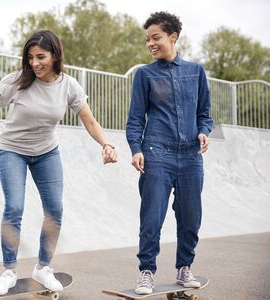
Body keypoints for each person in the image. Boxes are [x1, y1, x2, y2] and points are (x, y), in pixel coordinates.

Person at [0, 30, 118, 295]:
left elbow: (89, 119)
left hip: (47, 152)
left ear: (55, 56)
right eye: (30, 57)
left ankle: (43, 268)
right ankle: (8, 271)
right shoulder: (18, 80)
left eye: (41, 57)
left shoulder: (69, 85)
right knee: (14, 207)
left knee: (55, 210)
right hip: (12, 150)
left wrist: (106, 144)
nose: (35, 63)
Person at [125, 12, 213, 295]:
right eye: (147, 39)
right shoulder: (145, 74)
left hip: (190, 155)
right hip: (156, 153)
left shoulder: (196, 71)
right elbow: (135, 118)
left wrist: (203, 131)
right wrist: (136, 149)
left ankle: (184, 267)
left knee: (190, 216)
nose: (150, 43)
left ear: (172, 37)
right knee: (152, 216)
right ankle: (147, 272)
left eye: (156, 37)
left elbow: (205, 114)